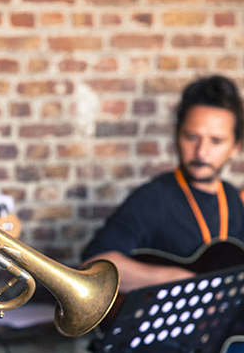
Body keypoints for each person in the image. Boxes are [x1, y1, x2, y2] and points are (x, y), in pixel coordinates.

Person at [82, 74, 244, 294]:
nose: (201, 152)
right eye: (191, 137)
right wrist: (171, 278)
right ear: (177, 135)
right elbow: (93, 265)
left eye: (216, 141)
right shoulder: (154, 198)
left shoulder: (232, 199)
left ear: (235, 146)